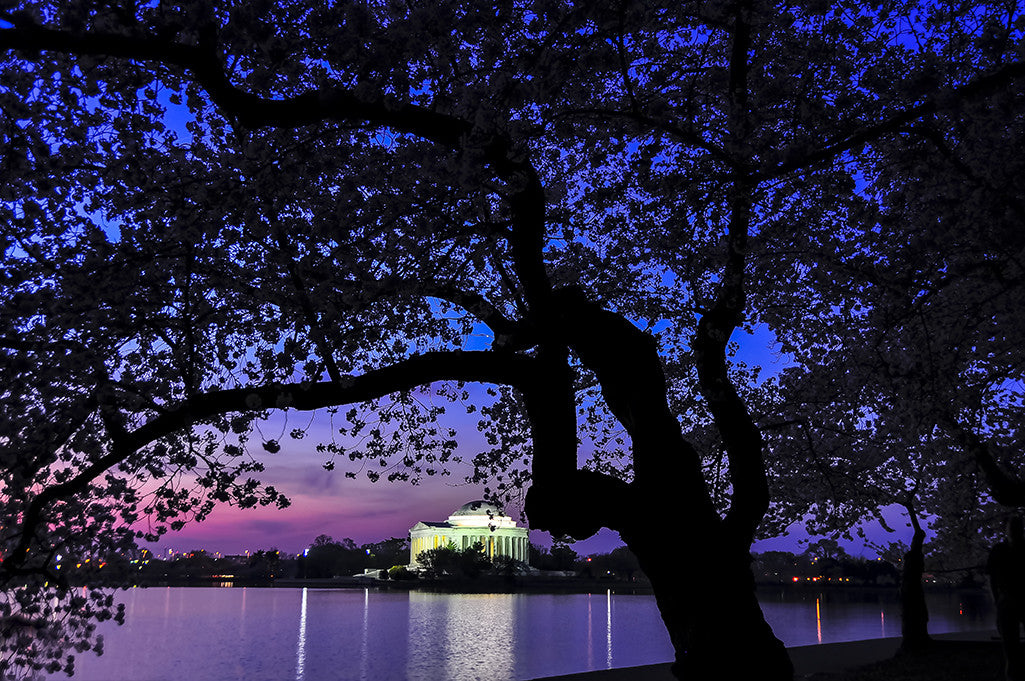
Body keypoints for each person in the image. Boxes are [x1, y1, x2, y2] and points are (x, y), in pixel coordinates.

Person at [989, 516, 1025, 681]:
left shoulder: (1000, 550)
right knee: (1010, 643)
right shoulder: (999, 549)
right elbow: (993, 579)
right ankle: (1012, 673)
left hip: (1015, 598)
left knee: (1010, 641)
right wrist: (997, 600)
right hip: (1006, 599)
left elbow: (993, 579)